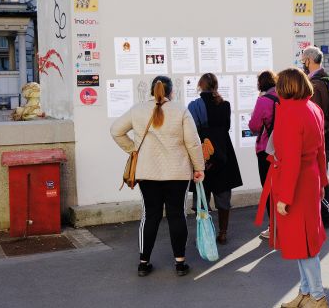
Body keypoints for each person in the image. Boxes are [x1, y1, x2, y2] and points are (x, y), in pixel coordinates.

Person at [110, 76, 205, 277]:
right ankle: (180, 263)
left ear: (152, 91)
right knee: (177, 214)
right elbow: (193, 143)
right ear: (171, 92)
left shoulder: (137, 110)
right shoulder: (181, 110)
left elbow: (115, 130)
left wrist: (134, 150)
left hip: (147, 173)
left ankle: (143, 263)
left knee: (150, 215)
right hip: (177, 173)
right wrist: (199, 167)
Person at [255, 68, 329, 308]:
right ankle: (306, 292)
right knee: (304, 242)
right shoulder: (313, 108)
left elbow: (291, 159)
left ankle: (317, 296)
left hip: (294, 184)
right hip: (310, 179)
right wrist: (323, 183)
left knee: (305, 245)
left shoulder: (289, 112)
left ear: (284, 87)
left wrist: (284, 197)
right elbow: (321, 150)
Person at [188, 73, 243, 245]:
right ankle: (223, 233)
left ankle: (205, 234)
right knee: (223, 195)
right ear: (215, 86)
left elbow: (192, 130)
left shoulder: (194, 106)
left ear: (200, 86)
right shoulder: (224, 104)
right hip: (222, 152)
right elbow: (226, 127)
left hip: (202, 154)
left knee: (202, 196)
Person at [300, 46, 329, 228]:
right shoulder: (328, 79)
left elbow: (315, 115)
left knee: (321, 177)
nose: (302, 64)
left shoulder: (315, 84)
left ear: (309, 60)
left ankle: (324, 217)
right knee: (323, 175)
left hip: (321, 136)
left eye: (302, 60)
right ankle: (324, 216)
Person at [249, 70, 279, 239]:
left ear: (260, 84)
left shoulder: (263, 101)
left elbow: (254, 125)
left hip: (266, 150)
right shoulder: (283, 97)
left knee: (268, 189)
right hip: (282, 150)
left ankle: (273, 227)